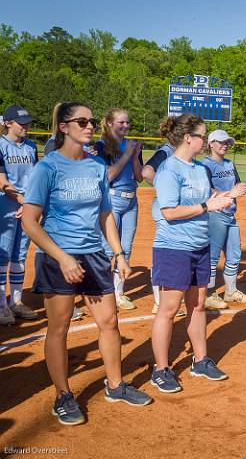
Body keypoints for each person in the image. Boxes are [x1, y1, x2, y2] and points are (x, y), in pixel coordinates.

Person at [22, 102, 151, 426]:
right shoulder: (48, 167)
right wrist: (62, 257)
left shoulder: (95, 166)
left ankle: (116, 385)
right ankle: (63, 396)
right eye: (82, 121)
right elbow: (30, 221)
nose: (90, 125)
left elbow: (105, 214)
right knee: (60, 327)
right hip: (57, 257)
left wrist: (119, 254)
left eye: (92, 120)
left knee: (109, 322)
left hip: (93, 254)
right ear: (64, 127)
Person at [149, 114, 233, 393]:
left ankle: (200, 360)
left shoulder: (199, 169)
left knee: (197, 305)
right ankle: (160, 369)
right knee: (169, 309)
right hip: (174, 247)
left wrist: (229, 194)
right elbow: (169, 212)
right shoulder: (169, 169)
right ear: (188, 138)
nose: (205, 141)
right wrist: (207, 207)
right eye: (202, 136)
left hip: (200, 245)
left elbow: (209, 196)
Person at [94, 109, 143, 311]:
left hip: (132, 200)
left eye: (127, 122)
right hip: (112, 199)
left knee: (126, 248)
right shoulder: (102, 145)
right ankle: (105, 292)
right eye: (121, 122)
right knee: (108, 249)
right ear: (109, 123)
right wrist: (127, 155)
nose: (125, 125)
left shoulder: (130, 143)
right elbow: (108, 177)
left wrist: (134, 157)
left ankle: (119, 293)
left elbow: (139, 177)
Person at [45, 103, 84, 322]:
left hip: (74, 212)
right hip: (60, 213)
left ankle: (70, 299)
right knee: (63, 254)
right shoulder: (53, 147)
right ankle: (63, 301)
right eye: (81, 121)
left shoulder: (84, 154)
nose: (88, 126)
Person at [0, 105, 39, 325]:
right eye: (20, 123)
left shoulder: (31, 146)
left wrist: (30, 202)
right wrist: (23, 201)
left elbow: (35, 177)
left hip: (28, 203)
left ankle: (16, 301)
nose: (26, 126)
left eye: (27, 122)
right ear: (7, 123)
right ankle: (1, 305)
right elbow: (2, 181)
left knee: (20, 253)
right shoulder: (1, 146)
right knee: (3, 254)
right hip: (6, 203)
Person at [201, 129, 246, 304]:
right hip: (215, 215)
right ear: (211, 143)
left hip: (230, 214)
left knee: (234, 254)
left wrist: (242, 187)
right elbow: (207, 191)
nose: (225, 145)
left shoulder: (229, 163)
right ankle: (208, 294)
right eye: (221, 142)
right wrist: (231, 193)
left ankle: (230, 291)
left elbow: (237, 183)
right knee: (212, 257)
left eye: (227, 142)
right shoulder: (205, 165)